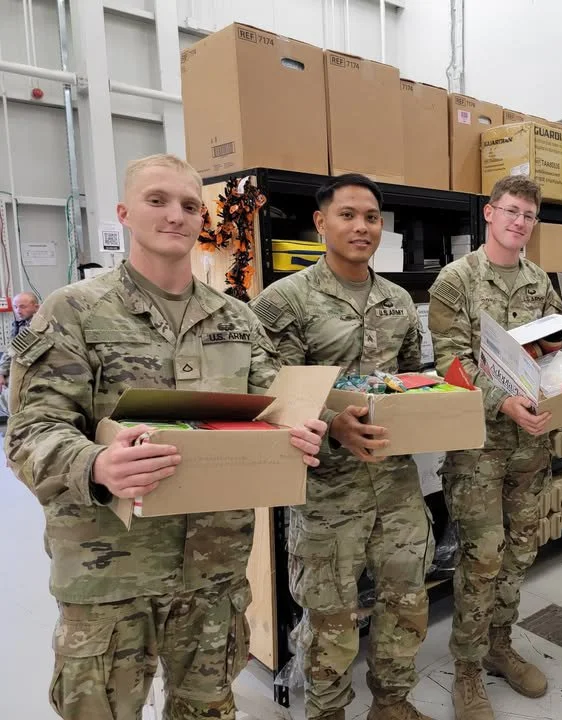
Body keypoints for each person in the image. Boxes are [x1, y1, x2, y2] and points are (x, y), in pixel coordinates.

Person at [3, 153, 327, 720]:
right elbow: (32, 431)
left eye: (188, 205)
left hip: (214, 566)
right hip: (109, 570)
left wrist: (299, 427)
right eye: (158, 201)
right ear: (126, 213)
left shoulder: (237, 318)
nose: (175, 215)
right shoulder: (74, 312)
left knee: (206, 707)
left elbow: (274, 403)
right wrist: (96, 465)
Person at [428, 175, 562, 720]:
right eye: (510, 211)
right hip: (478, 446)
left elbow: (559, 346)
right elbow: (450, 362)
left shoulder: (538, 281)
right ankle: (466, 670)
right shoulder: (455, 280)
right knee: (482, 557)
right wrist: (502, 402)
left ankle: (499, 645)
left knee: (519, 551)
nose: (519, 222)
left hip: (532, 443)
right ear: (489, 214)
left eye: (528, 216)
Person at [249, 174, 435, 720]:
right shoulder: (284, 301)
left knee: (406, 604)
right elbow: (266, 389)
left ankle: (393, 705)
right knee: (331, 619)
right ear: (321, 222)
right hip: (327, 490)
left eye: (372, 217)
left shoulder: (397, 299)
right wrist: (334, 424)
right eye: (348, 215)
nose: (362, 227)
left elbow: (407, 379)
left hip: (396, 483)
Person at [0, 291, 40, 418]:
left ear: (36, 307)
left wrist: (2, 372)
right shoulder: (21, 324)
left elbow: (15, 350)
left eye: (23, 306)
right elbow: (12, 349)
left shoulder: (38, 325)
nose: (18, 310)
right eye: (16, 307)